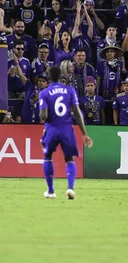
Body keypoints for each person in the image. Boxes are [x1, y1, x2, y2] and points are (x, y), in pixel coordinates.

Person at [39, 66, 93, 200]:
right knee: (69, 159)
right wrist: (84, 133)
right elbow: (77, 112)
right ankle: (70, 188)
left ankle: (51, 191)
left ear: (49, 78)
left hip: (51, 128)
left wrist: (42, 109)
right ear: (60, 76)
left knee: (48, 156)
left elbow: (43, 116)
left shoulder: (44, 93)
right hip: (66, 128)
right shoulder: (70, 91)